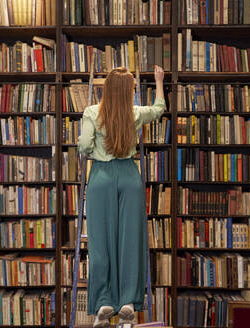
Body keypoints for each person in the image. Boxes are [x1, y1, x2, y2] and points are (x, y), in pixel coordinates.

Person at [77, 65, 166, 327]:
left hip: (101, 178)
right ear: (128, 91)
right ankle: (127, 301)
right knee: (130, 241)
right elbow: (159, 109)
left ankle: (104, 301)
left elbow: (83, 145)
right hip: (129, 177)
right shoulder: (135, 112)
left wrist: (94, 147)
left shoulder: (92, 112)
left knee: (100, 242)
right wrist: (159, 82)